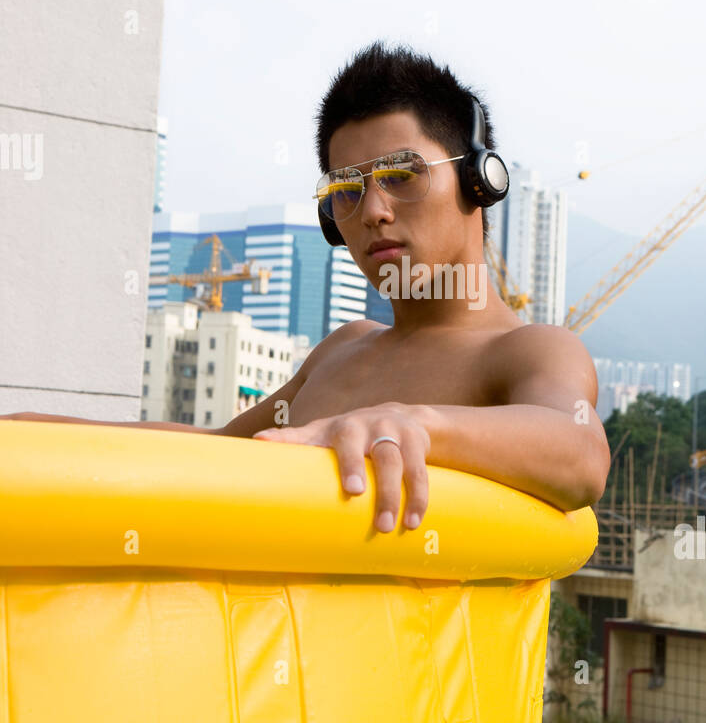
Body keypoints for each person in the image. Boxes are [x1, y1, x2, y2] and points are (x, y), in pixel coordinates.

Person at [6, 42, 610, 533]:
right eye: (346, 189)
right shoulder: (345, 347)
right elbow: (219, 449)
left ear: (479, 183)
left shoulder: (527, 351)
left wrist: (412, 424)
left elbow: (581, 453)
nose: (372, 209)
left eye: (402, 176)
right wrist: (43, 429)